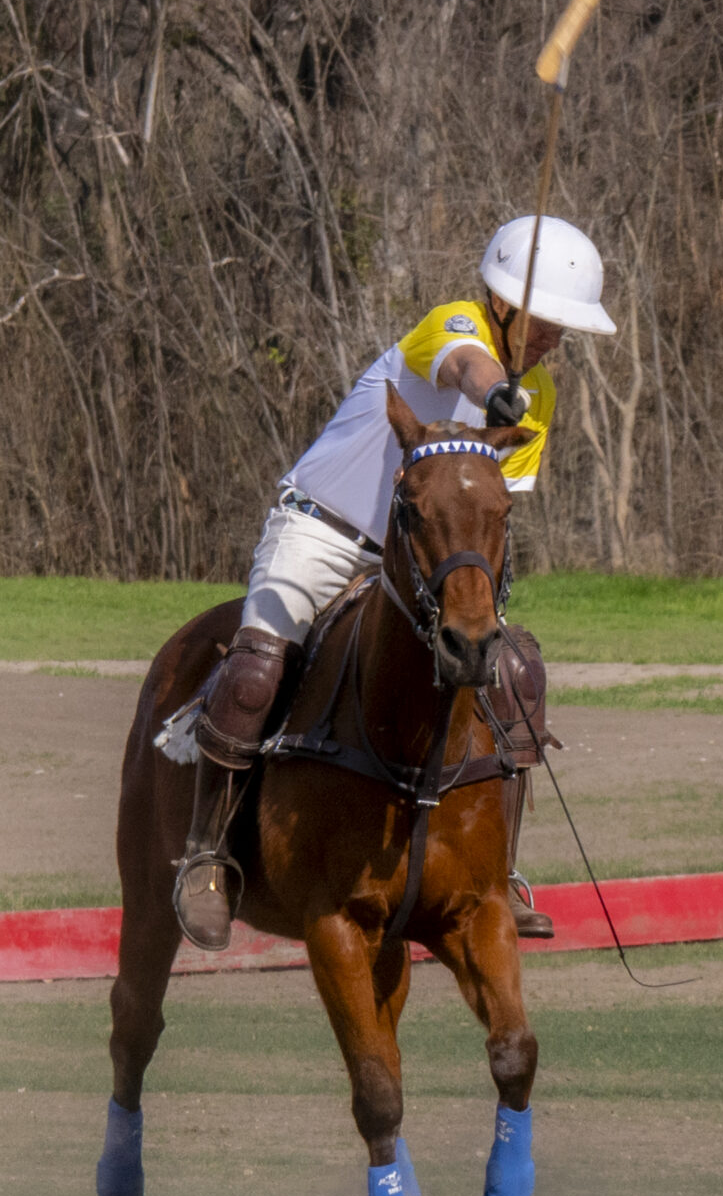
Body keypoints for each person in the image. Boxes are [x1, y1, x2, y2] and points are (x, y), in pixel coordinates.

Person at [173, 216, 617, 952]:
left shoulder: (540, 395)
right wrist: (495, 394)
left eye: (565, 325)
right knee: (254, 671)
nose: (555, 338)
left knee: (513, 676)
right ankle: (207, 856)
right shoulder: (455, 323)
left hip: (422, 561)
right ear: (502, 303)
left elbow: (491, 511)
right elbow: (463, 365)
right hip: (323, 531)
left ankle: (497, 873)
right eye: (545, 319)